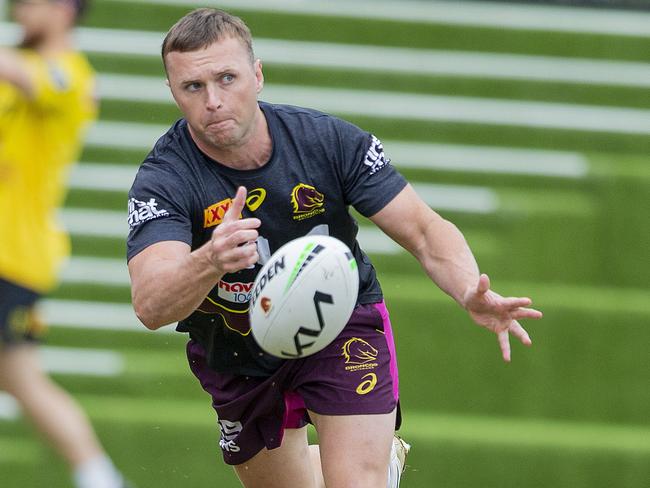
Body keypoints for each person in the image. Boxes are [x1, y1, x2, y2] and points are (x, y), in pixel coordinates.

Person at [127, 8, 543, 488]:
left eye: (227, 78)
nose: (214, 101)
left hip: (339, 322)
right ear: (172, 92)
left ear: (257, 75)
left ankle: (369, 464)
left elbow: (425, 230)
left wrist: (468, 286)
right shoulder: (164, 180)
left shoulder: (327, 141)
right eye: (193, 87)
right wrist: (210, 259)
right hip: (237, 352)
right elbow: (151, 305)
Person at [0, 1, 130, 487]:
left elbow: (30, 76)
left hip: (12, 254)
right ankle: (98, 476)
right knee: (21, 379)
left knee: (22, 379)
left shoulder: (70, 78)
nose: (18, 11)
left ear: (64, 9)